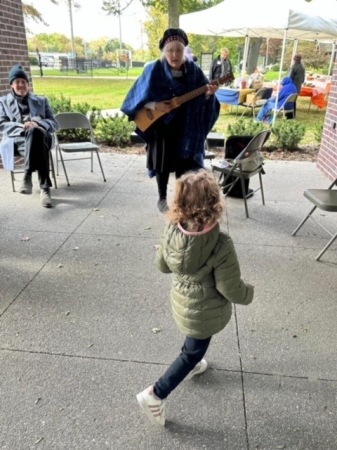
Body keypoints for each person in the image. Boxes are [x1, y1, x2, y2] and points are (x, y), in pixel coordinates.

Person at [136, 170, 254, 427]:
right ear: (215, 203)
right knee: (192, 351)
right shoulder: (221, 244)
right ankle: (156, 394)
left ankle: (193, 362)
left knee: (193, 343)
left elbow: (163, 266)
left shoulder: (170, 229)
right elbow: (229, 288)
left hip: (182, 301)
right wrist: (248, 293)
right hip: (205, 309)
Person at [121, 28, 220, 213]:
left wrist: (209, 94)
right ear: (164, 51)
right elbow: (135, 98)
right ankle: (161, 197)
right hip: (161, 126)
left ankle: (180, 199)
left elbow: (204, 98)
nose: (174, 54)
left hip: (186, 125)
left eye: (179, 50)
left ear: (185, 52)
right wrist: (156, 105)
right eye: (170, 50)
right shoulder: (154, 69)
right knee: (162, 164)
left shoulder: (194, 71)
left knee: (185, 162)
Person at [0, 64, 59, 208]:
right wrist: (22, 127)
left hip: (42, 136)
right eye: (17, 82)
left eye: (24, 82)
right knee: (39, 146)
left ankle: (27, 174)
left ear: (28, 84)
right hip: (19, 141)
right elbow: (1, 124)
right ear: (12, 85)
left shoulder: (42, 100)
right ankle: (45, 189)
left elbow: (54, 123)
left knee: (36, 132)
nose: (21, 85)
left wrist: (38, 124)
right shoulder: (3, 102)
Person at [288, 54, 305, 118]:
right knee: (294, 100)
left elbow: (290, 78)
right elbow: (303, 79)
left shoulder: (294, 67)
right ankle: (293, 114)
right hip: (298, 87)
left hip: (292, 87)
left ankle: (290, 115)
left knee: (290, 100)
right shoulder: (302, 67)